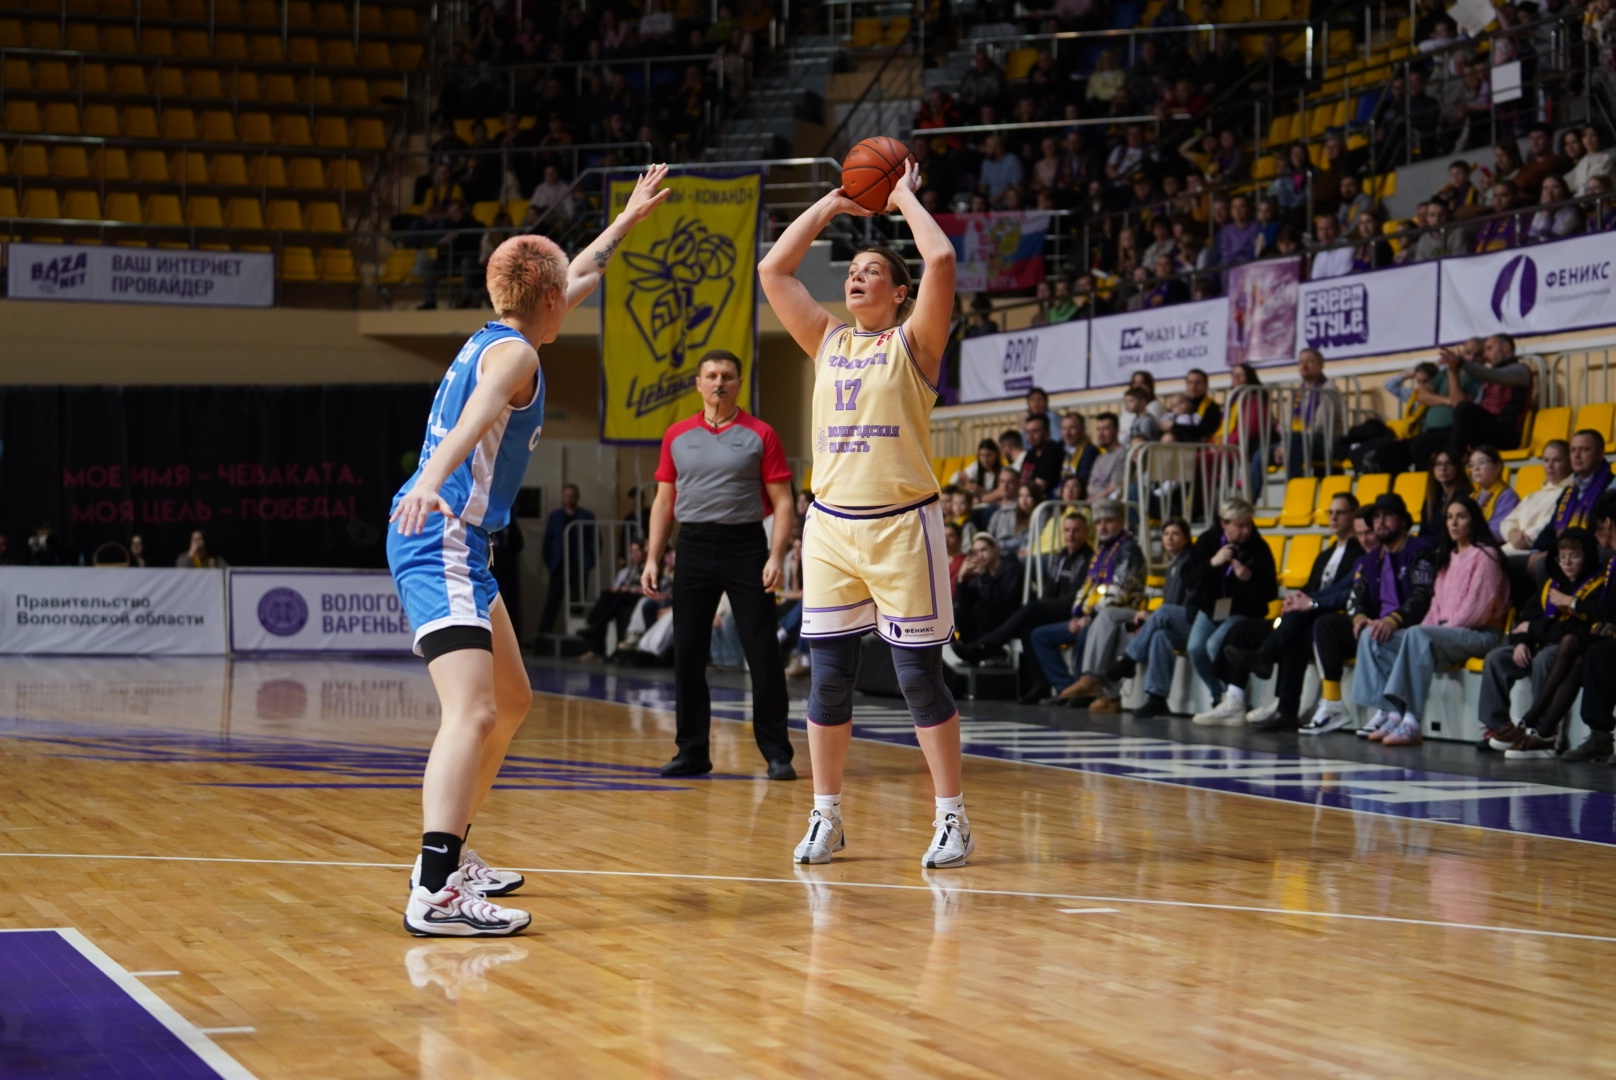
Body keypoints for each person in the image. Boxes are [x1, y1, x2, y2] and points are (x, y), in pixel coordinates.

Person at [389, 164, 669, 937]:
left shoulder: (501, 334)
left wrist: (626, 222)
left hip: (463, 543)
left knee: (511, 702)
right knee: (473, 710)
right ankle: (435, 890)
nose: (572, 297)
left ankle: (451, 857)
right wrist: (431, 480)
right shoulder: (515, 358)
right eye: (562, 291)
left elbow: (581, 272)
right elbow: (478, 415)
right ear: (547, 299)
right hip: (441, 531)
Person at [758, 157, 977, 869]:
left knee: (918, 678)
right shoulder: (827, 339)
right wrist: (832, 203)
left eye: (871, 271)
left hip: (902, 526)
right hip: (830, 527)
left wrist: (902, 195)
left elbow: (941, 259)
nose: (856, 277)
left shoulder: (914, 343)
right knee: (828, 678)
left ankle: (952, 817)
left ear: (899, 292)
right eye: (851, 271)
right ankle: (826, 815)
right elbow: (773, 270)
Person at [640, 350, 797, 781]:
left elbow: (784, 503)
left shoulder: (761, 434)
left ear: (739, 383)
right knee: (688, 653)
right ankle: (692, 752)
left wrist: (776, 556)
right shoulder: (676, 435)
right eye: (711, 375)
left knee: (762, 652)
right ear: (699, 384)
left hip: (745, 546)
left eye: (727, 375)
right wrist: (653, 557)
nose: (719, 382)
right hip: (692, 546)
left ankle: (777, 753)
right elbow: (664, 502)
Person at [1353, 496, 1507, 746]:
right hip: (1445, 633)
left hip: (1480, 634)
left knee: (1417, 635)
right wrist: (1429, 629)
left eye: (1461, 517)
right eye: (1449, 517)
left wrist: (1434, 631)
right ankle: (1392, 713)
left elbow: (1476, 610)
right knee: (1375, 637)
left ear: (1474, 521)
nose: (1454, 523)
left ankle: (1412, 721)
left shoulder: (1485, 556)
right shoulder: (1447, 557)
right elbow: (1434, 604)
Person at [1209, 494, 1366, 729]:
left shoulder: (1360, 553)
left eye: (1340, 513)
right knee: (1243, 628)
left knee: (1294, 633)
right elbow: (1311, 589)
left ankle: (1283, 701)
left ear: (1354, 516)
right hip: (1304, 617)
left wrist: (1308, 602)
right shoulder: (1325, 555)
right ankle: (1233, 698)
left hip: (1328, 622)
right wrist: (1294, 600)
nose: (1333, 518)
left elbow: (1345, 592)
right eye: (1330, 513)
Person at [1306, 493, 1437, 735]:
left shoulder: (1420, 550)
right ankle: (1335, 703)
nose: (1380, 522)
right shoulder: (1369, 560)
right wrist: (1358, 617)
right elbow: (1357, 597)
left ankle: (1386, 709)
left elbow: (1423, 595)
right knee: (1327, 624)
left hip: (1410, 626)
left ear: (1403, 520)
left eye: (1387, 515)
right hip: (1378, 625)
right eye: (1376, 517)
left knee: (1372, 635)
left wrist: (1394, 619)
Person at [1480, 528, 1610, 758]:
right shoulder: (1552, 583)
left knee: (1545, 658)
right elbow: (1527, 618)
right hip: (1537, 644)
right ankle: (1497, 727)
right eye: (1562, 557)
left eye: (1574, 556)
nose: (1567, 563)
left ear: (1587, 556)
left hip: (1560, 649)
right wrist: (1522, 641)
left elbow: (1574, 631)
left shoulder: (1597, 586)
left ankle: (1539, 731)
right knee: (1496, 657)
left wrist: (1534, 629)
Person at [1032, 500, 1146, 708]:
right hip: (1096, 613)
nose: (1103, 526)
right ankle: (1066, 688)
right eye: (1099, 522)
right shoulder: (1101, 552)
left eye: (1109, 521)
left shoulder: (1129, 550)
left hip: (1126, 611)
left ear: (1120, 523)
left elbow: (1119, 592)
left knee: (1092, 626)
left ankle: (1087, 683)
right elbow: (1086, 587)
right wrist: (1077, 614)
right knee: (1040, 636)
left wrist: (1089, 616)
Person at [1181, 498, 1278, 720]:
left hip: (1244, 611)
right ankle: (1220, 697)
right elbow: (1188, 577)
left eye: (1248, 524)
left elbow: (1271, 591)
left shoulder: (1259, 547)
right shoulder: (1207, 541)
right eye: (1239, 525)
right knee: (1195, 648)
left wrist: (1249, 578)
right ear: (1224, 523)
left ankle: (1235, 701)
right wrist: (1212, 563)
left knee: (1216, 644)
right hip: (1211, 607)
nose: (1246, 530)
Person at [1110, 517, 1194, 717]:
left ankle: (1129, 660)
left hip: (1196, 623)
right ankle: (1157, 698)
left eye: (1175, 534)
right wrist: (1151, 619)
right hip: (1179, 623)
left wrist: (1154, 616)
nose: (1169, 538)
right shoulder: (1173, 565)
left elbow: (1184, 606)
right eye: (1166, 534)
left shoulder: (1191, 561)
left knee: (1163, 612)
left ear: (1186, 538)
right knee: (1159, 636)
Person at [537, 483, 594, 637]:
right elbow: (547, 542)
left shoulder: (586, 516)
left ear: (578, 497)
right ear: (563, 497)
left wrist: (589, 562)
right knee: (552, 602)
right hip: (559, 565)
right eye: (567, 496)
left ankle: (577, 638)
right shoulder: (555, 516)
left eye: (572, 496)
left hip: (579, 565)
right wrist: (550, 563)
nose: (570, 499)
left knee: (578, 602)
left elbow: (595, 541)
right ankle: (543, 638)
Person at [578, 540, 646, 660]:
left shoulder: (646, 568)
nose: (634, 554)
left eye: (638, 550)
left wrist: (630, 589)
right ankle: (598, 647)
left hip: (637, 598)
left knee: (618, 600)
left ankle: (593, 625)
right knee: (606, 596)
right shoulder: (626, 571)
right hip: (622, 599)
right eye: (631, 551)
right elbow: (617, 586)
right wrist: (618, 588)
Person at [954, 532, 1024, 644]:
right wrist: (961, 578)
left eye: (983, 550)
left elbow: (1002, 599)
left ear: (995, 548)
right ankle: (968, 646)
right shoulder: (984, 571)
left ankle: (984, 649)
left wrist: (984, 575)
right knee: (960, 609)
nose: (980, 555)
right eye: (976, 552)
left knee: (979, 608)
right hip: (990, 616)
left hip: (1011, 616)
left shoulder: (1012, 567)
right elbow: (965, 600)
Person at [1467, 445, 1519, 540]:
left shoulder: (1507, 496)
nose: (1476, 468)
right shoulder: (1472, 497)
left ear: (1497, 467)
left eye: (1482, 462)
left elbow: (1498, 531)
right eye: (1472, 464)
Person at [1420, 449, 1469, 534]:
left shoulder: (1465, 496)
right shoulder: (1431, 500)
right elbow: (1423, 532)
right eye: (1438, 464)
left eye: (1449, 463)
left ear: (1457, 467)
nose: (1443, 468)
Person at [1170, 368, 1223, 441]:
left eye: (1198, 383)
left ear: (1206, 386)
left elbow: (1202, 431)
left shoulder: (1212, 407)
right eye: (1190, 382)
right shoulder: (1182, 403)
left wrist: (1174, 427)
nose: (1193, 386)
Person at [1020, 413, 1064, 495]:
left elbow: (1038, 488)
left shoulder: (1053, 451)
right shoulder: (1031, 453)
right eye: (1028, 432)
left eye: (1035, 431)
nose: (1030, 436)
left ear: (1047, 433)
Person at [1084, 413, 1126, 501]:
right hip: (1091, 501)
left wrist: (1090, 501)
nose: (1100, 434)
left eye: (1105, 429)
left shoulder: (1122, 454)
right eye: (1098, 429)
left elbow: (1114, 488)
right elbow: (1090, 486)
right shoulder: (1099, 458)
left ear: (1116, 431)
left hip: (1106, 503)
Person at [1059, 413, 1098, 487]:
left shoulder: (1089, 452)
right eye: (1064, 428)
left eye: (1072, 428)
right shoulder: (1065, 451)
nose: (1067, 433)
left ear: (1083, 429)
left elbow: (1082, 481)